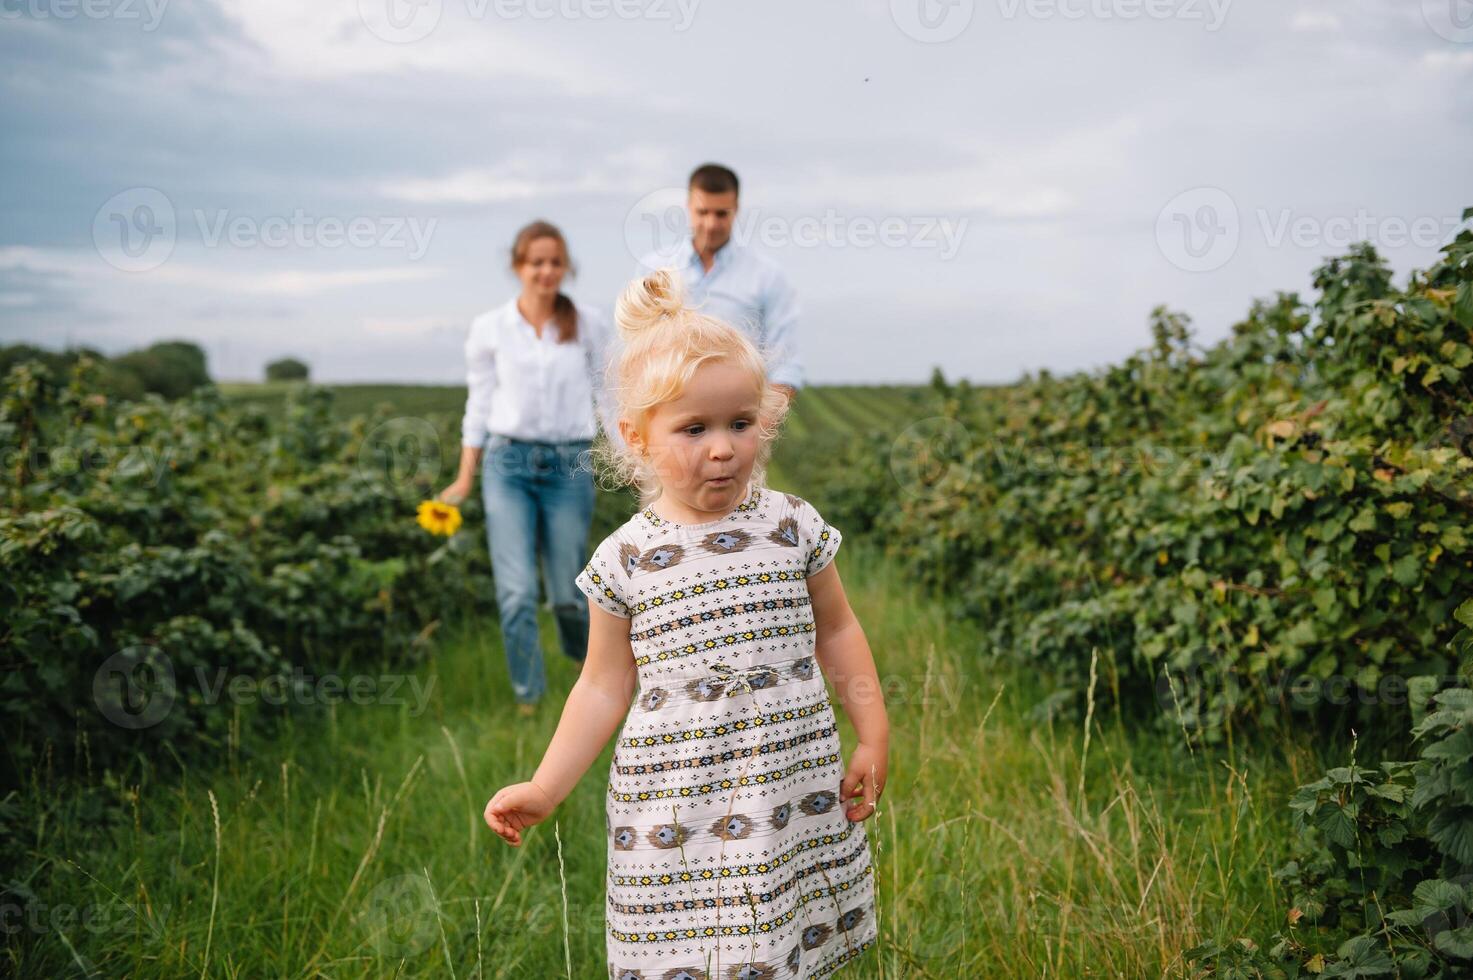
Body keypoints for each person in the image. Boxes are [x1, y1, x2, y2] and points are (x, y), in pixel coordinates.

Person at [482, 269, 888, 978]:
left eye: (740, 422)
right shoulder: (625, 560)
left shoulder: (791, 526)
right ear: (636, 437)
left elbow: (837, 631)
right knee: (690, 953)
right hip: (676, 804)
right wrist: (546, 787)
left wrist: (872, 731)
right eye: (693, 429)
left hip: (784, 789)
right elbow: (602, 686)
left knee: (778, 940)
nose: (724, 447)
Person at [439, 220, 613, 715]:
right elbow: (480, 404)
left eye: (555, 262)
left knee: (568, 593)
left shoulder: (589, 324)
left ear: (566, 267)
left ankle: (589, 676)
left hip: (569, 464)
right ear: (518, 266)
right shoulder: (490, 329)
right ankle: (529, 698)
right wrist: (464, 476)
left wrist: (637, 459)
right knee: (515, 592)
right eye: (536, 262)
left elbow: (608, 397)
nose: (546, 271)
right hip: (507, 464)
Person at [636, 162, 803, 402]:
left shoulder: (768, 276)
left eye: (721, 214)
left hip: (740, 418)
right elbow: (636, 349)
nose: (711, 224)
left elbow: (786, 363)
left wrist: (760, 427)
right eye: (702, 212)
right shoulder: (652, 270)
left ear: (736, 209)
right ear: (688, 208)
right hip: (669, 416)